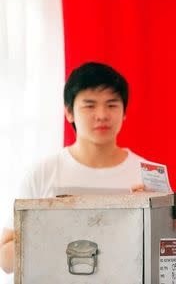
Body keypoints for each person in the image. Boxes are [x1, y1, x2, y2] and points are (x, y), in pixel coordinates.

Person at [0, 62, 147, 274]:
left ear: (124, 112)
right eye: (89, 105)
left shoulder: (145, 172)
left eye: (112, 104)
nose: (102, 115)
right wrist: (46, 224)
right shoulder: (43, 173)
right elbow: (5, 260)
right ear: (69, 112)